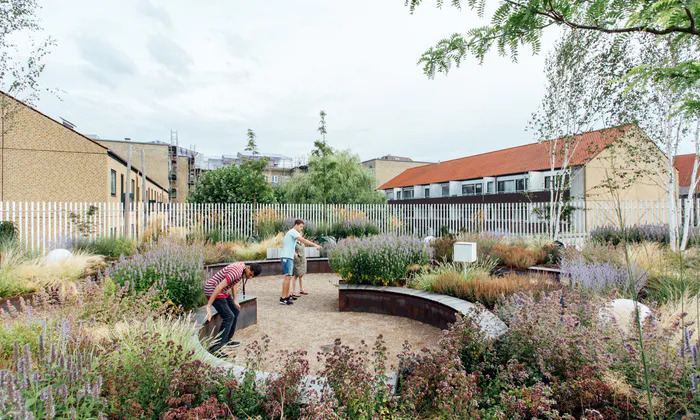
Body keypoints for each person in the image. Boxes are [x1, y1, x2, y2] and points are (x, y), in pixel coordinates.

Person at [205, 262, 262, 354]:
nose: (250, 277)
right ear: (248, 268)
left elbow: (234, 282)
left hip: (222, 291)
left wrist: (235, 299)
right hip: (212, 290)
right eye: (250, 274)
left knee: (235, 311)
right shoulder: (236, 272)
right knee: (229, 316)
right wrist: (208, 305)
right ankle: (216, 348)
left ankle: (226, 339)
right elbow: (219, 287)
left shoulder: (241, 269)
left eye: (252, 277)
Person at [280, 219, 320, 305]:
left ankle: (287, 296)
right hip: (286, 257)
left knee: (288, 276)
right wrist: (315, 245)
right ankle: (283, 298)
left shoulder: (292, 232)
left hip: (288, 257)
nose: (301, 229)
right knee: (287, 277)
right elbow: (303, 240)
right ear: (296, 225)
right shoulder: (293, 232)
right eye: (301, 227)